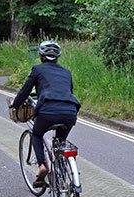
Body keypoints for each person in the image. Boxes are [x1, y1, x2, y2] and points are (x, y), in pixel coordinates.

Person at [11, 40, 81, 187]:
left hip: (48, 110)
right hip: (70, 111)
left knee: (36, 134)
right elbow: (66, 91)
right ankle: (61, 179)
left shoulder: (37, 69)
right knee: (60, 143)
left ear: (41, 56)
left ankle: (42, 166)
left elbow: (24, 91)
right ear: (57, 57)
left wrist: (15, 105)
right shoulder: (66, 72)